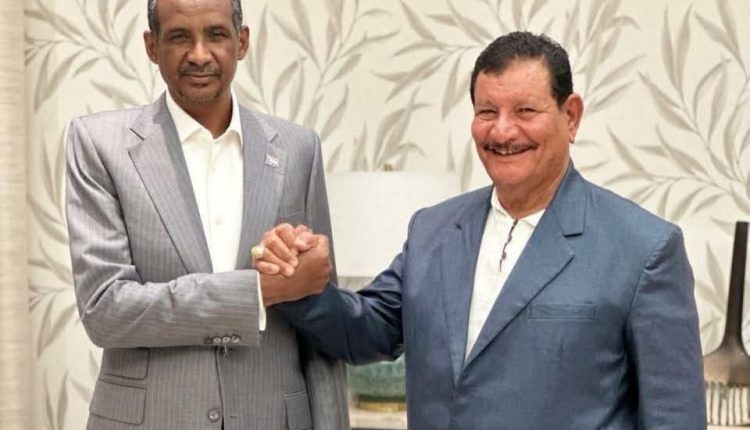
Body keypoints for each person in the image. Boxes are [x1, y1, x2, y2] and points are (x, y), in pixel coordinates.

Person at [255, 32, 706, 429]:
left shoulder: (645, 249)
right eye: (487, 111)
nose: (503, 131)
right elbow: (366, 331)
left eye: (525, 110)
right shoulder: (433, 230)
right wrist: (295, 280)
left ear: (571, 116)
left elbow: (674, 418)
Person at [64, 0, 348, 428]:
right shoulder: (99, 144)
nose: (199, 54)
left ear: (242, 41)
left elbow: (321, 323)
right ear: (152, 46)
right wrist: (256, 292)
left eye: (215, 34)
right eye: (180, 36)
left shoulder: (298, 149)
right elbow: (105, 310)